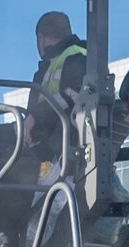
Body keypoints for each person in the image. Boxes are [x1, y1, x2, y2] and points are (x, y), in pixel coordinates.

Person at [23, 11, 87, 169]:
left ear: (41, 38)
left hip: (65, 151)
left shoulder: (77, 57)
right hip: (49, 148)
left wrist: (36, 115)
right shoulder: (49, 65)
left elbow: (76, 93)